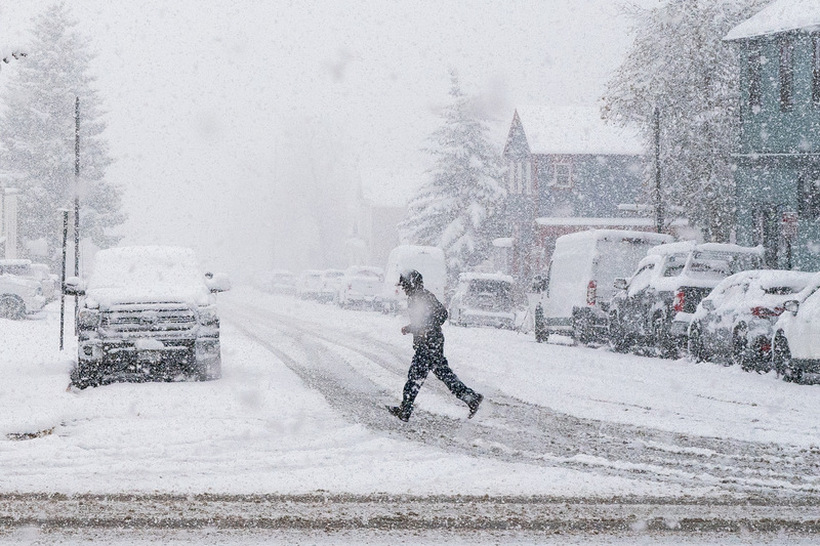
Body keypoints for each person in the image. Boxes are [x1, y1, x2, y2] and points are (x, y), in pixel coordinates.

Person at [388, 269, 483, 422]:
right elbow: (422, 321)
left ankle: (405, 410)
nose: (403, 289)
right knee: (443, 373)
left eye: (404, 285)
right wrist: (411, 328)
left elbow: (442, 314)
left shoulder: (424, 297)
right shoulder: (415, 297)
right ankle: (471, 398)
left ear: (411, 284)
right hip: (429, 342)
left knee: (415, 376)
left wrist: (428, 329)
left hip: (429, 343)